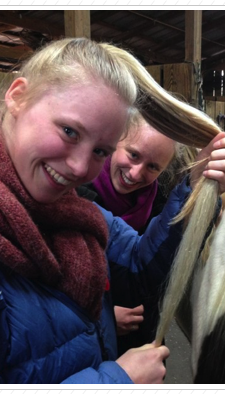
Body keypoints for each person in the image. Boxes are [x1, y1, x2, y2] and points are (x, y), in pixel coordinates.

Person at [0, 37, 225, 384]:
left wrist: (196, 187)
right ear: (18, 95)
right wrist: (116, 380)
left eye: (100, 150)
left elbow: (141, 267)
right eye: (69, 131)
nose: (80, 167)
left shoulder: (73, 210)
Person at [77, 112, 199, 356]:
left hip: (143, 336)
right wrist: (103, 317)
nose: (135, 173)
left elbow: (159, 270)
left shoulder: (161, 205)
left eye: (153, 166)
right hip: (90, 348)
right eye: (133, 154)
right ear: (116, 141)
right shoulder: (77, 194)